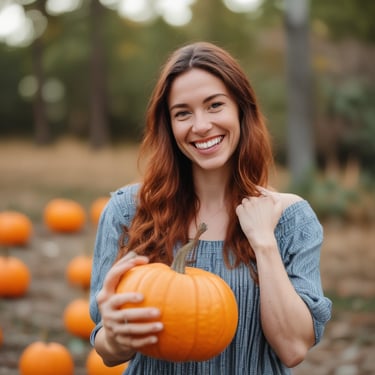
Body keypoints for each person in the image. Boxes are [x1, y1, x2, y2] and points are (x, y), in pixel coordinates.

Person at [89, 41, 332, 375]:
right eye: (183, 113)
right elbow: (106, 348)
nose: (200, 126)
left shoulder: (290, 218)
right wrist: (116, 338)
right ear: (169, 126)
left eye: (215, 105)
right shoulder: (128, 211)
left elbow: (293, 348)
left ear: (241, 110)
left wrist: (263, 242)